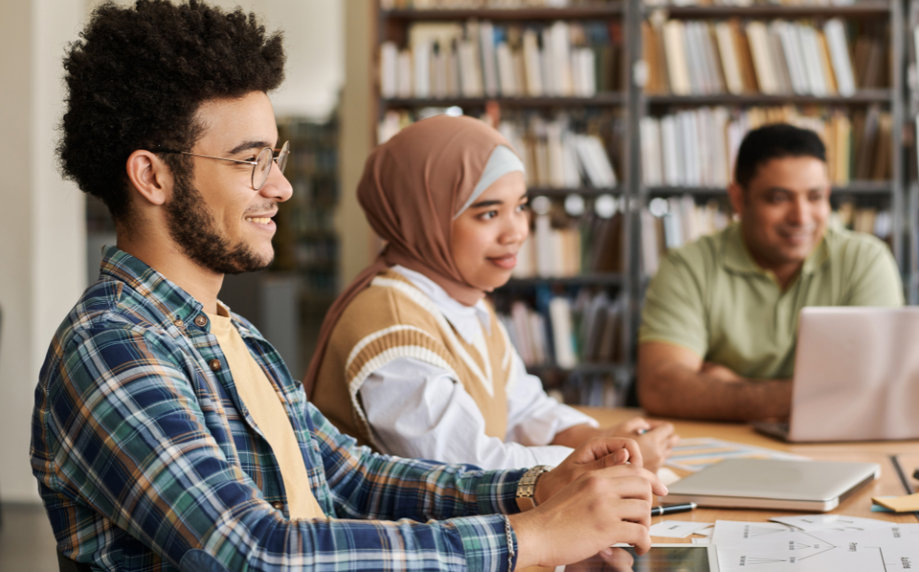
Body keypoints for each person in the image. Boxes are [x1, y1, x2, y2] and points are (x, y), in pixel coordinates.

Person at [31, 2, 666, 570]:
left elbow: (350, 477)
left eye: (274, 159)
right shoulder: (111, 349)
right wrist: (531, 538)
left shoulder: (233, 334)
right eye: (250, 161)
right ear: (152, 176)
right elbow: (256, 553)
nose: (278, 187)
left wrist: (536, 490)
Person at [304, 115, 677, 473]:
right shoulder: (390, 328)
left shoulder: (465, 302)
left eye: (521, 207)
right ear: (424, 218)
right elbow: (470, 469)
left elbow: (525, 410)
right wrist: (602, 459)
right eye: (488, 214)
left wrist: (603, 439)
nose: (515, 232)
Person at [636, 123, 904, 422]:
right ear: (739, 199)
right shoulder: (688, 266)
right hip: (724, 452)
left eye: (815, 197)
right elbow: (661, 387)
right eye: (778, 198)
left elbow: (877, 389)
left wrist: (732, 386)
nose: (801, 217)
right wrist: (816, 394)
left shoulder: (865, 261)